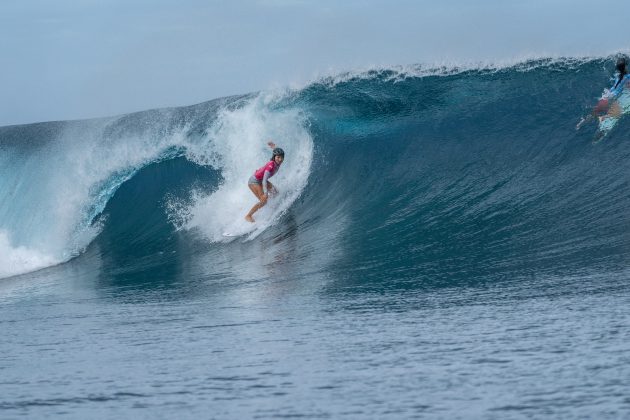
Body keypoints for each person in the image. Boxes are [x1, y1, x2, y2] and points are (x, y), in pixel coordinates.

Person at [578, 57, 630, 129]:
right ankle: (602, 117)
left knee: (595, 111)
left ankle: (580, 124)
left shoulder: (617, 76)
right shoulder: (628, 77)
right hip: (613, 96)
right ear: (626, 66)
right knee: (614, 114)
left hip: (607, 95)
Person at [245, 141, 285, 223]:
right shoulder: (271, 166)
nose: (280, 159)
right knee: (263, 200)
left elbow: (277, 154)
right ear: (274, 157)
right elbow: (264, 180)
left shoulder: (278, 161)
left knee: (275, 192)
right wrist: (266, 193)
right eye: (278, 157)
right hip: (254, 182)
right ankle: (248, 215)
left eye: (281, 157)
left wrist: (274, 147)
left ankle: (271, 206)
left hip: (261, 180)